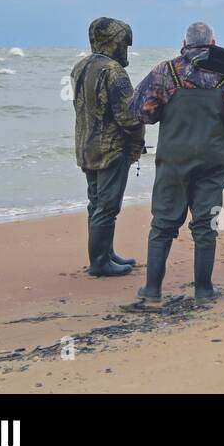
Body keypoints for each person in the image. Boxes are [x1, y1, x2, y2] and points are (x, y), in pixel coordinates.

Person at [130, 21, 224, 301]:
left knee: (162, 223)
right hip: (212, 162)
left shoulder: (165, 72)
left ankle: (152, 289)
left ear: (184, 44)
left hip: (173, 160)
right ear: (213, 44)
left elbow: (141, 112)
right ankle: (203, 288)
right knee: (206, 224)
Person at [70, 17, 145, 277]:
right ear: (114, 42)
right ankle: (100, 262)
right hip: (111, 149)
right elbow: (128, 115)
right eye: (124, 43)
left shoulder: (80, 67)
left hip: (86, 146)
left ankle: (106, 253)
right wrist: (138, 140)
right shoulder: (114, 71)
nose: (126, 49)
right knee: (108, 207)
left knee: (96, 203)